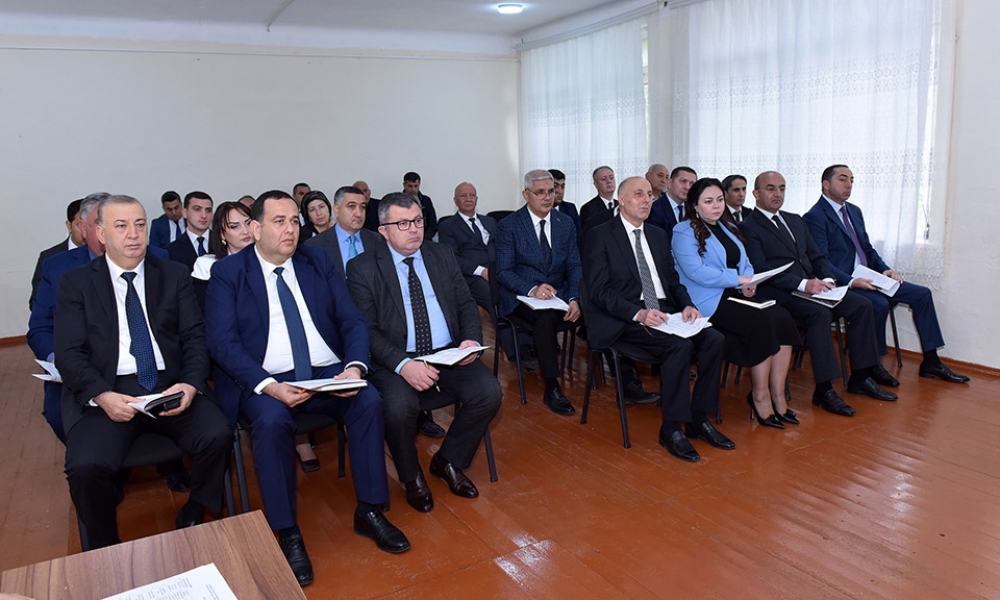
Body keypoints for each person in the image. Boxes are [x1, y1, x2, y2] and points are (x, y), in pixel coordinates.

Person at [206, 190, 409, 586]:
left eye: (294, 221)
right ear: (255, 228)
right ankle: (287, 531)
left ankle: (369, 510)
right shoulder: (229, 273)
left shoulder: (316, 260)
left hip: (325, 371)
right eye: (279, 221)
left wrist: (353, 367)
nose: (290, 229)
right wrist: (268, 386)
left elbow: (351, 319)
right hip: (266, 378)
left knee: (367, 400)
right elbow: (223, 344)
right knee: (271, 422)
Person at [54, 195, 232, 550]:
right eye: (121, 226)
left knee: (218, 434)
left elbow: (195, 338)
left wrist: (190, 385)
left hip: (169, 384)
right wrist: (102, 395)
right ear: (101, 234)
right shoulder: (76, 284)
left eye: (139, 224)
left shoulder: (173, 274)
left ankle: (197, 507)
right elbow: (69, 355)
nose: (133, 234)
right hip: (110, 388)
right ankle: (105, 547)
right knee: (85, 466)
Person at [346, 193, 501, 513]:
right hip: (395, 358)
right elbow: (366, 330)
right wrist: (403, 364)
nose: (414, 229)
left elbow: (466, 303)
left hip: (447, 353)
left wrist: (470, 339)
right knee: (399, 407)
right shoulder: (362, 267)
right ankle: (411, 474)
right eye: (403, 224)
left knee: (489, 393)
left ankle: (448, 461)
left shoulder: (440, 254)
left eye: (417, 221)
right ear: (384, 231)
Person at [583, 177, 733, 461]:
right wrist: (638, 313)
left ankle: (699, 419)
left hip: (664, 311)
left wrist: (687, 305)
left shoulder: (657, 234)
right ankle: (672, 428)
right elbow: (599, 291)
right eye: (638, 194)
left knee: (714, 339)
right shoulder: (600, 235)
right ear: (621, 199)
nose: (646, 200)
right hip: (626, 316)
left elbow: (672, 280)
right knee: (679, 347)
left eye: (650, 195)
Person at [739, 171, 899, 417]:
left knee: (862, 305)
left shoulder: (794, 220)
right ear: (756, 194)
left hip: (814, 286)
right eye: (770, 188)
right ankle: (824, 390)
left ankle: (861, 376)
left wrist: (827, 279)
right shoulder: (747, 227)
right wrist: (804, 284)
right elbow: (761, 269)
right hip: (780, 291)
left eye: (782, 188)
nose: (777, 193)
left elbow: (817, 256)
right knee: (819, 315)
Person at [30, 194, 173, 449]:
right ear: (85, 229)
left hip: (145, 365)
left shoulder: (158, 258)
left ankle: (167, 461)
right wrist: (59, 359)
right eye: (103, 224)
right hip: (79, 364)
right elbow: (40, 327)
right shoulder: (57, 267)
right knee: (59, 416)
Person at [804, 165, 968, 383]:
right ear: (826, 184)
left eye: (852, 180)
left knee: (922, 294)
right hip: (844, 283)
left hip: (868, 275)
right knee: (878, 304)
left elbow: (867, 249)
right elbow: (821, 262)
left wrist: (885, 270)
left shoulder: (854, 211)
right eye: (843, 179)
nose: (849, 185)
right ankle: (873, 365)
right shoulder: (814, 217)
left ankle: (931, 361)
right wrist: (852, 281)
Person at [672, 178, 800, 428]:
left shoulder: (727, 226)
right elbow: (695, 271)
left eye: (720, 200)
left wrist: (750, 281)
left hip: (736, 293)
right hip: (708, 299)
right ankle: (760, 396)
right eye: (709, 201)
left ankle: (777, 395)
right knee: (761, 322)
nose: (716, 206)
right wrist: (738, 279)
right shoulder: (684, 231)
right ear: (695, 205)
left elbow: (745, 262)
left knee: (782, 317)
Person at [495, 169, 582, 415]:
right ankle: (552, 386)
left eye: (551, 191)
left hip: (558, 295)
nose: (547, 197)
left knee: (595, 305)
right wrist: (532, 289)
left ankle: (624, 378)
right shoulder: (509, 225)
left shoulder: (565, 223)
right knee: (545, 318)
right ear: (526, 195)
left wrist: (574, 298)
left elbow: (574, 265)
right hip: (520, 297)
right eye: (540, 192)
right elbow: (503, 271)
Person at [305, 186, 381, 277]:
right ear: (337, 210)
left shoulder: (378, 241)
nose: (359, 214)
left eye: (362, 207)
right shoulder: (314, 246)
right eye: (351, 206)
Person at [190, 201, 253, 306]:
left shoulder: (270, 261)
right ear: (222, 234)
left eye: (248, 223)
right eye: (234, 226)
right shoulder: (207, 264)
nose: (245, 231)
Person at [29, 198, 84, 310]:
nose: (86, 231)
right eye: (80, 225)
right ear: (69, 226)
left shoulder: (109, 255)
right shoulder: (49, 257)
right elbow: (37, 303)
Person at [167, 191, 213, 272]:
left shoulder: (225, 243)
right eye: (197, 209)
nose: (204, 215)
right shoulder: (171, 250)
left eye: (208, 210)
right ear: (184, 213)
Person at [647, 166, 697, 236]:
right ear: (670, 183)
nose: (687, 187)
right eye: (683, 181)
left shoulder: (694, 208)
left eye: (692, 184)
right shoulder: (654, 209)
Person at [579, 165, 617, 231]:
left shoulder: (621, 206)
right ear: (596, 184)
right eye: (603, 179)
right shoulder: (588, 208)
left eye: (611, 178)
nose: (609, 181)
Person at [402, 172, 438, 240]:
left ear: (419, 184)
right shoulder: (397, 201)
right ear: (404, 185)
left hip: (425, 237)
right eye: (410, 186)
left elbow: (433, 224)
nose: (413, 189)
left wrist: (424, 238)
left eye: (416, 186)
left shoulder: (426, 200)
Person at [549, 169, 582, 240]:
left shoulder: (570, 208)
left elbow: (579, 238)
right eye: (555, 186)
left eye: (562, 186)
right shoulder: (537, 209)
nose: (560, 191)